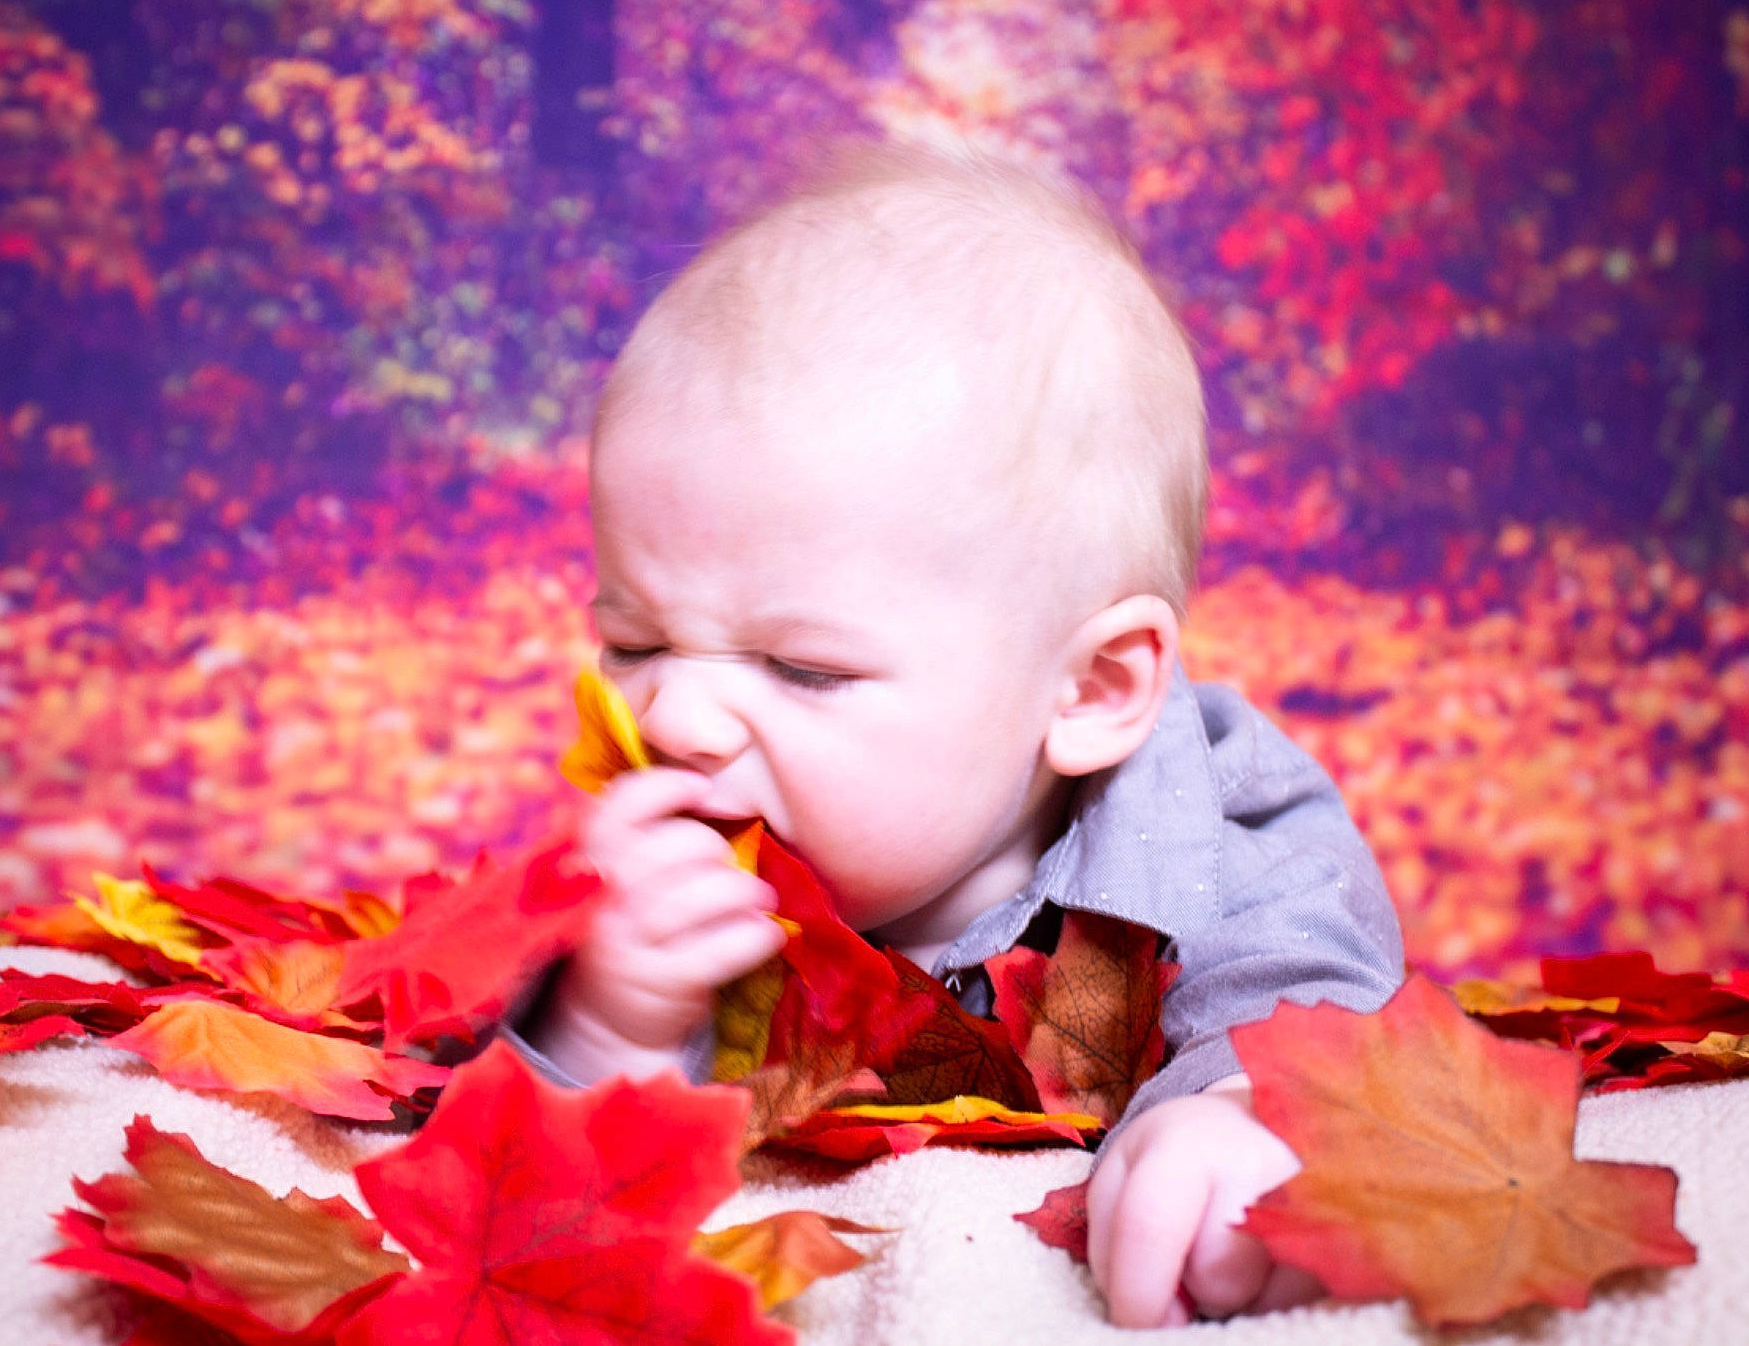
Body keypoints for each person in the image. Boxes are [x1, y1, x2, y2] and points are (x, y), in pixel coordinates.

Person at [517, 143, 1403, 1326]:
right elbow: (546, 1190)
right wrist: (613, 1019)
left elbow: (1302, 1000)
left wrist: (1235, 1112)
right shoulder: (676, 869)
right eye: (632, 642)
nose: (672, 715)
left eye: (801, 666)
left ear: (1088, 690)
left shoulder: (1219, 823)